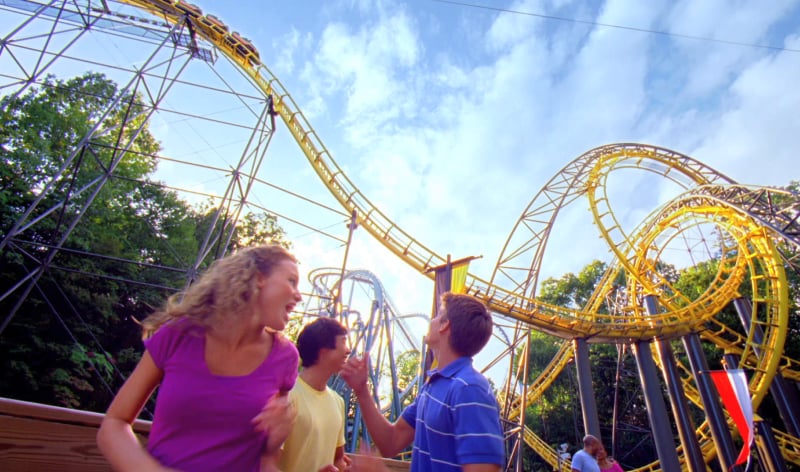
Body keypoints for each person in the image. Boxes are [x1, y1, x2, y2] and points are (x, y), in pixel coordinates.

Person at [97, 245, 302, 472]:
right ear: (259, 278)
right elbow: (115, 423)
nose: (299, 295)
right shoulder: (178, 335)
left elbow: (267, 463)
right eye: (291, 281)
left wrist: (273, 446)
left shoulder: (285, 358)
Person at [342, 292, 505, 471]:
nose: (432, 321)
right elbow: (391, 441)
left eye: (437, 315)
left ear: (445, 325)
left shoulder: (469, 389)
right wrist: (362, 390)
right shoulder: (434, 385)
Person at [277, 317, 352, 472]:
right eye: (343, 342)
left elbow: (338, 459)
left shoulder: (338, 402)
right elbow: (267, 464)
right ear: (324, 350)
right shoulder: (287, 397)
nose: (348, 350)